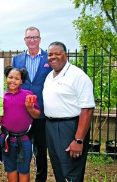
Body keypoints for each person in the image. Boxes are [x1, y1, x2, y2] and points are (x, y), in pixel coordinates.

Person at [43, 41, 95, 182]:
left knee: (71, 172)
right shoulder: (50, 76)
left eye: (57, 54)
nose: (53, 57)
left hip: (69, 127)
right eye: (50, 54)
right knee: (58, 169)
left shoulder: (78, 76)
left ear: (65, 55)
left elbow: (88, 109)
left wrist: (78, 139)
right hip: (51, 127)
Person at [0, 66, 41, 182]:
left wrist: (30, 108)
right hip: (7, 139)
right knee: (10, 169)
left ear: (21, 81)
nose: (13, 80)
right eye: (10, 77)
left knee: (23, 170)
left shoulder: (28, 95)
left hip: (25, 139)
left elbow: (37, 115)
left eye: (17, 78)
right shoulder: (1, 97)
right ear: (6, 78)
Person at [12, 26, 51, 182]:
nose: (32, 40)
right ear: (25, 40)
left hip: (42, 111)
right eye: (29, 38)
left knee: (41, 150)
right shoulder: (17, 59)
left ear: (40, 39)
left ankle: (40, 179)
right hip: (23, 112)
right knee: (22, 150)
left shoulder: (49, 58)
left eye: (35, 37)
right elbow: (14, 82)